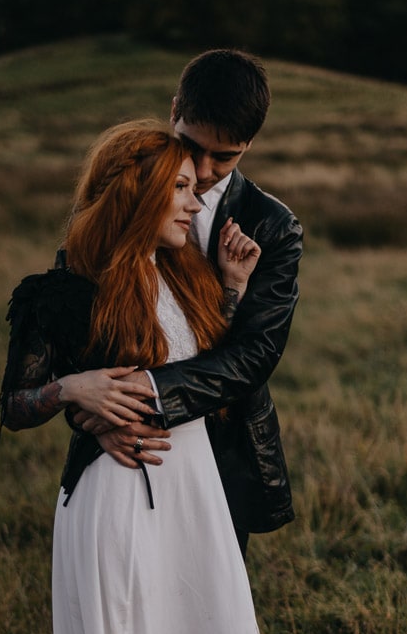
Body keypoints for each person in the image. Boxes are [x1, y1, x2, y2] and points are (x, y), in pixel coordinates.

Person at [0, 121, 283, 634]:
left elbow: (217, 371)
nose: (195, 200)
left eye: (195, 186)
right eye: (183, 187)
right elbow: (15, 403)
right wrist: (74, 392)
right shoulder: (65, 290)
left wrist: (228, 287)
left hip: (195, 498)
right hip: (118, 503)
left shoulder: (188, 271)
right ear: (140, 192)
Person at [70, 49, 303, 558]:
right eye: (193, 147)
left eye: (225, 157)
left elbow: (253, 356)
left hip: (222, 447)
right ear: (175, 109)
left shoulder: (274, 227)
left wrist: (140, 402)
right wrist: (94, 414)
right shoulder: (124, 185)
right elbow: (73, 312)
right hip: (121, 456)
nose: (202, 170)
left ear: (250, 144)